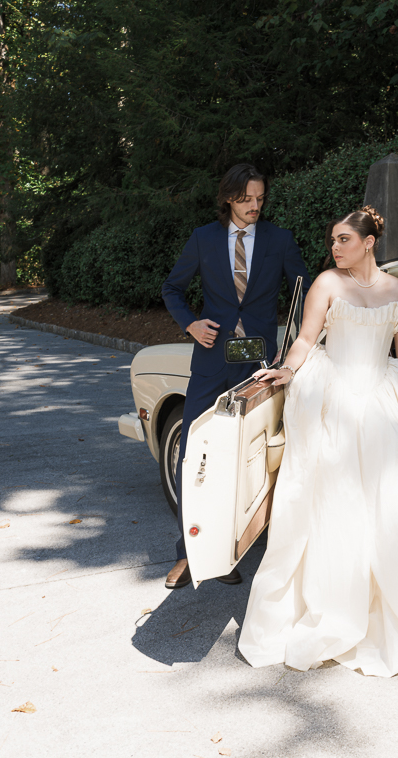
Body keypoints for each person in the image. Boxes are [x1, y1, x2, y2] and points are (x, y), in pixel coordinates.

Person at [237, 206, 398, 678]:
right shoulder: (327, 283)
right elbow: (306, 340)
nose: (335, 247)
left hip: (383, 397)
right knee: (334, 500)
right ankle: (333, 607)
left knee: (393, 501)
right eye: (333, 240)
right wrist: (286, 370)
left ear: (369, 242)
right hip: (333, 395)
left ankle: (394, 609)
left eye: (344, 239)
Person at [161, 163, 311, 591]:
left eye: (260, 199)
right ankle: (189, 553)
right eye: (246, 199)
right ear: (228, 198)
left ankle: (227, 550)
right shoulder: (203, 238)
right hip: (212, 360)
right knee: (197, 452)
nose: (254, 206)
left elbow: (304, 295)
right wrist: (191, 324)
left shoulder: (280, 239)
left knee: (249, 457)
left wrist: (291, 347)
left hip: (261, 364)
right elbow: (172, 289)